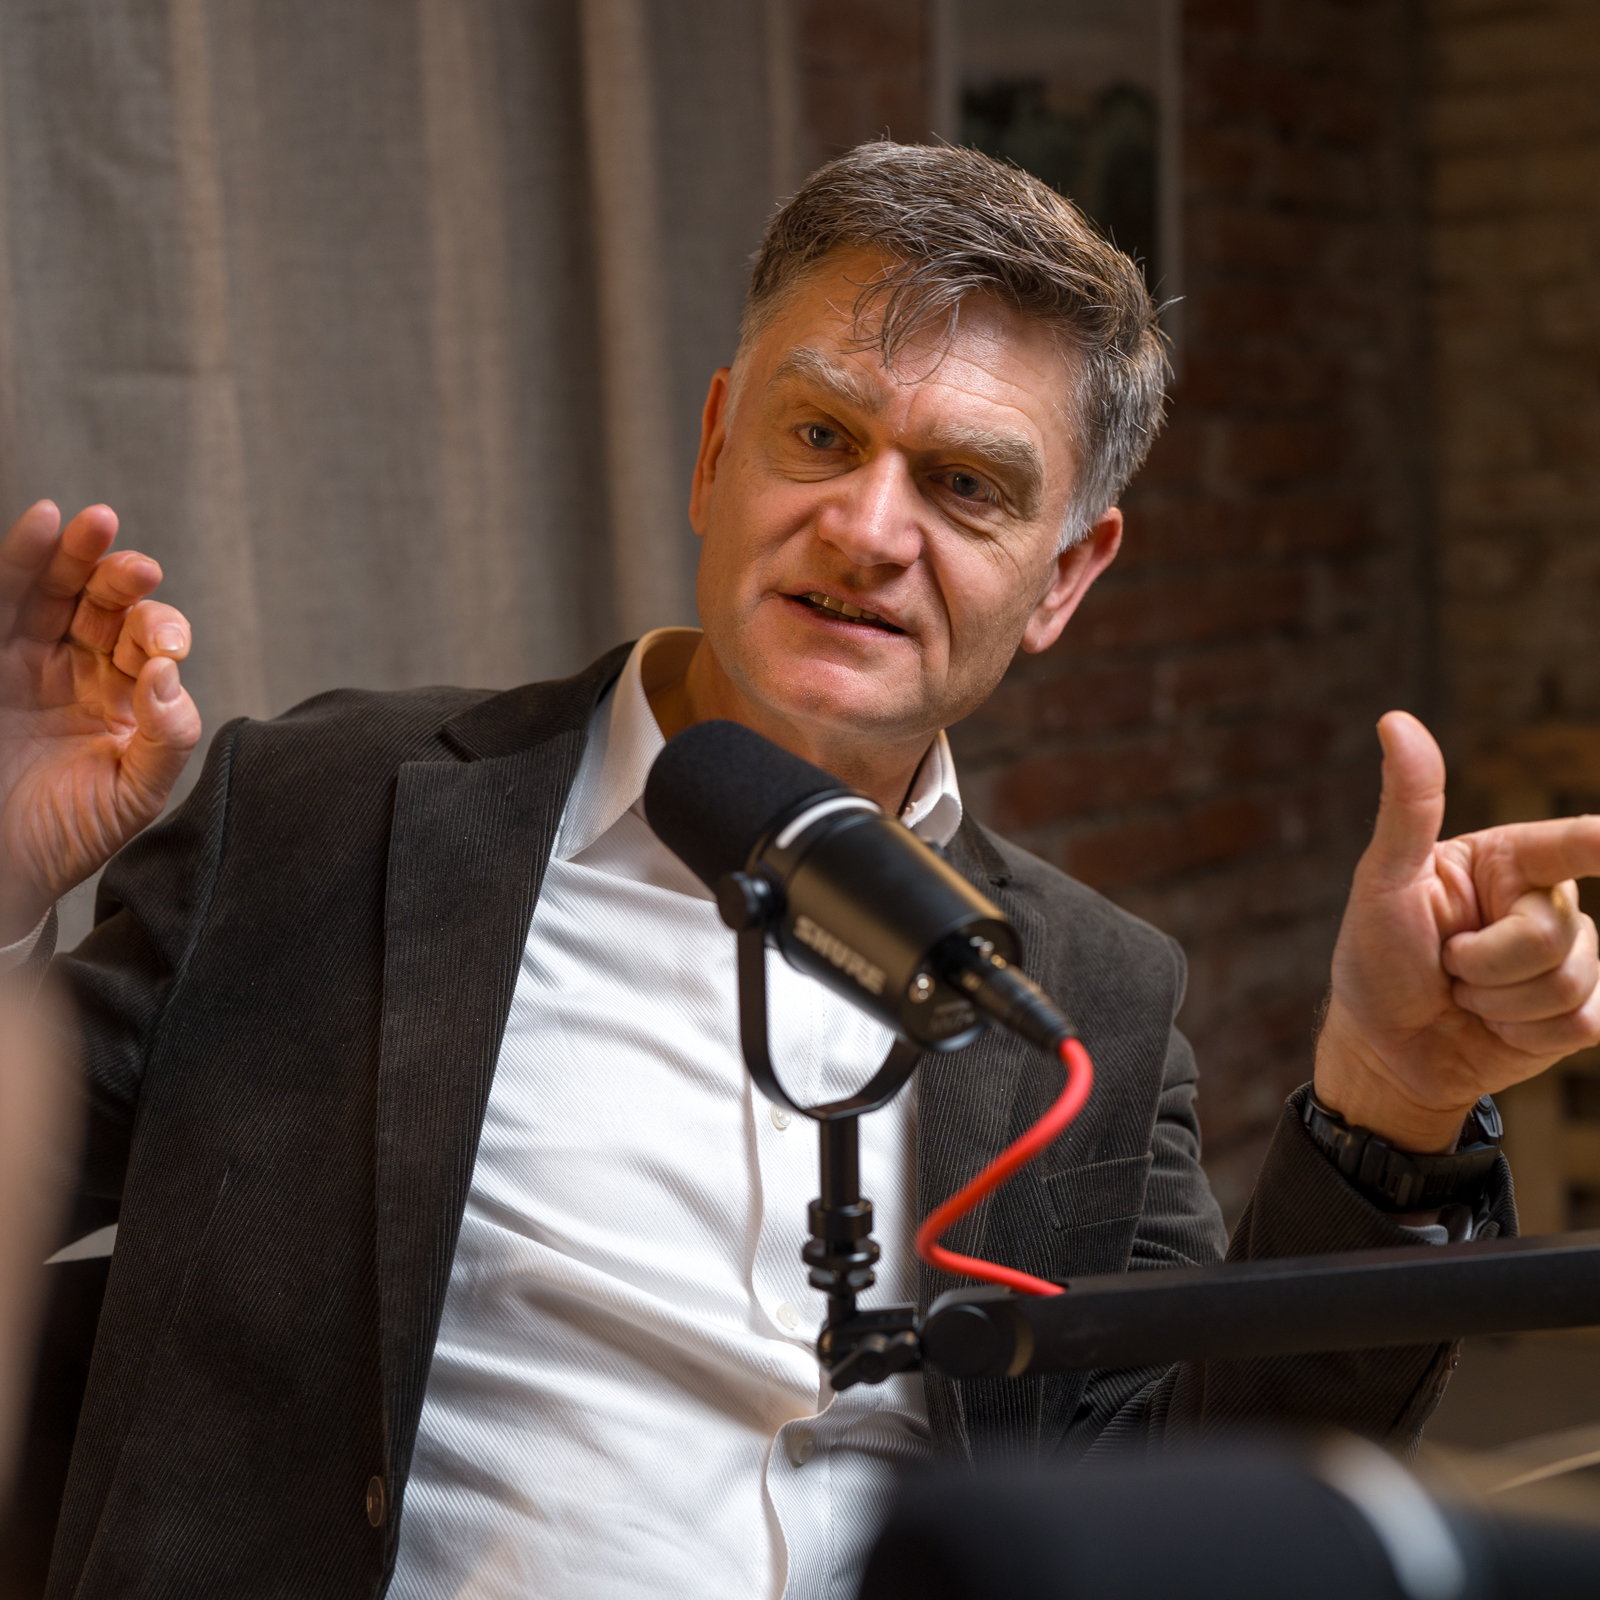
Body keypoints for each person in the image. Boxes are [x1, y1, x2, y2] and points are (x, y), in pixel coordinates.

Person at [2, 142, 1597, 1599]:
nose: (867, 529)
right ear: (717, 450)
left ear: (1065, 576)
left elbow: (1198, 1499)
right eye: (821, 435)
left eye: (966, 486)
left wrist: (1390, 1099)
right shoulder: (329, 813)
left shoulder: (1088, 1000)